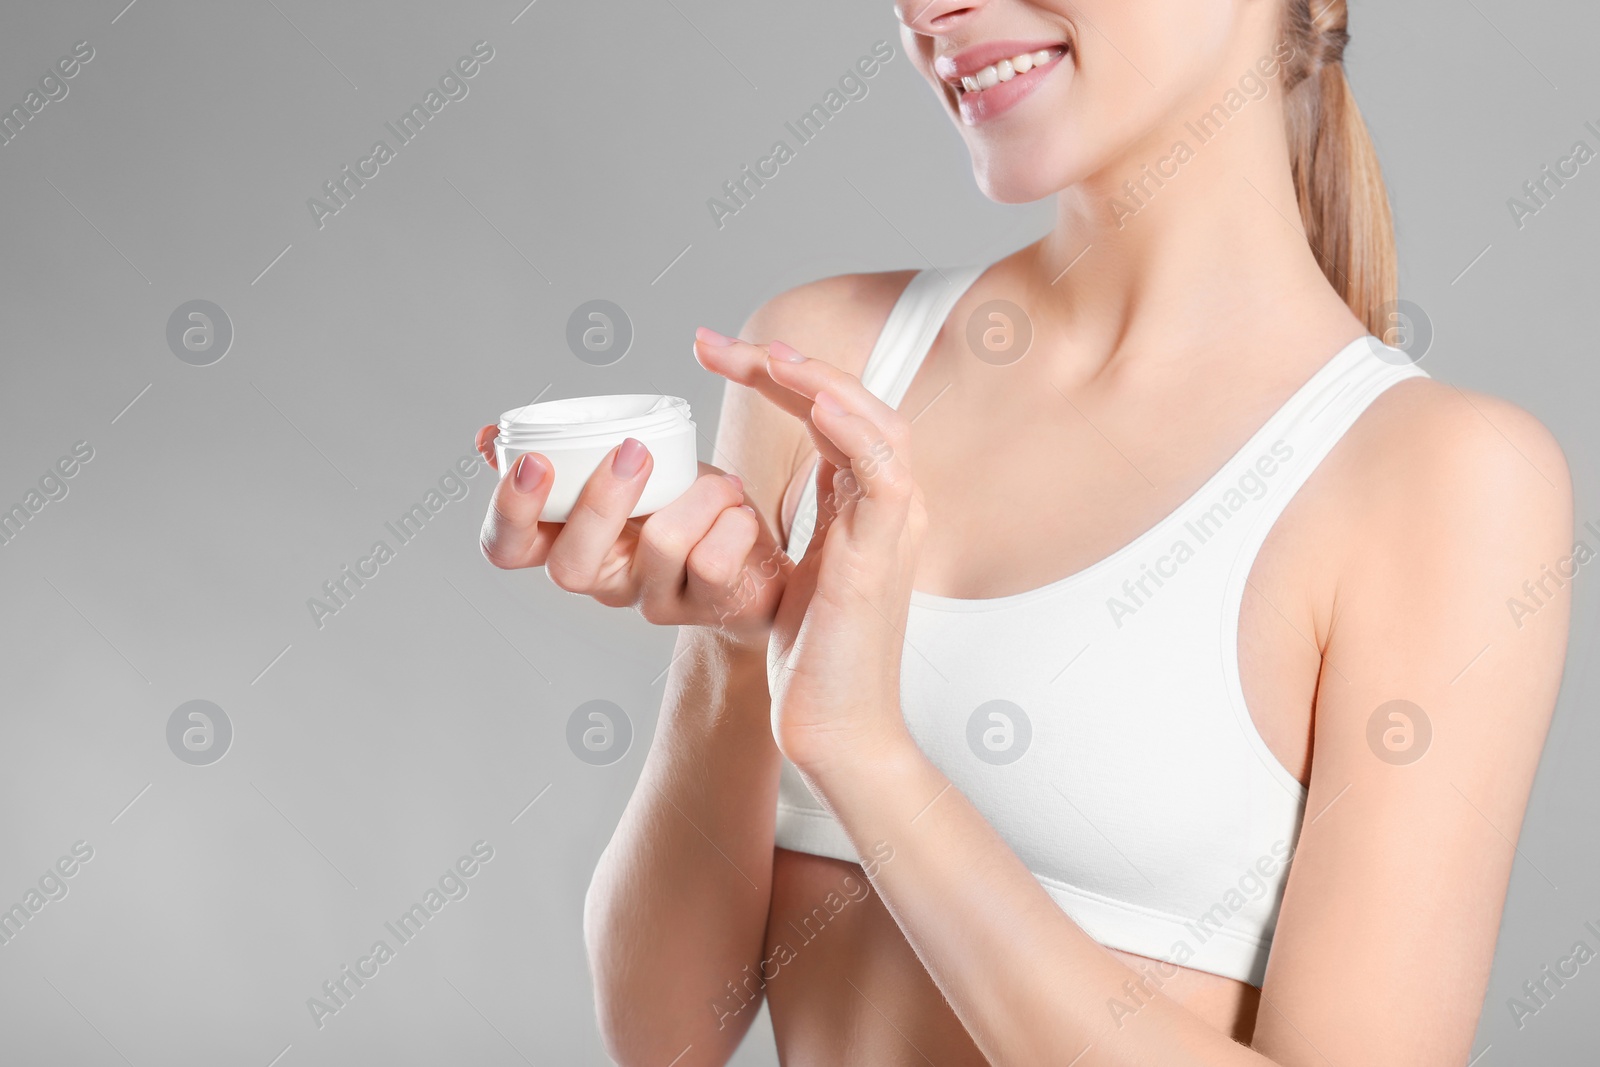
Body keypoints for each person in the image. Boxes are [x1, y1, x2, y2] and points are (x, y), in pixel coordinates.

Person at [474, 1, 1573, 1062]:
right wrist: (730, 643)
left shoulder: (1441, 479)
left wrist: (859, 749)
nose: (929, 9)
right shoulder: (823, 366)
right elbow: (661, 1037)